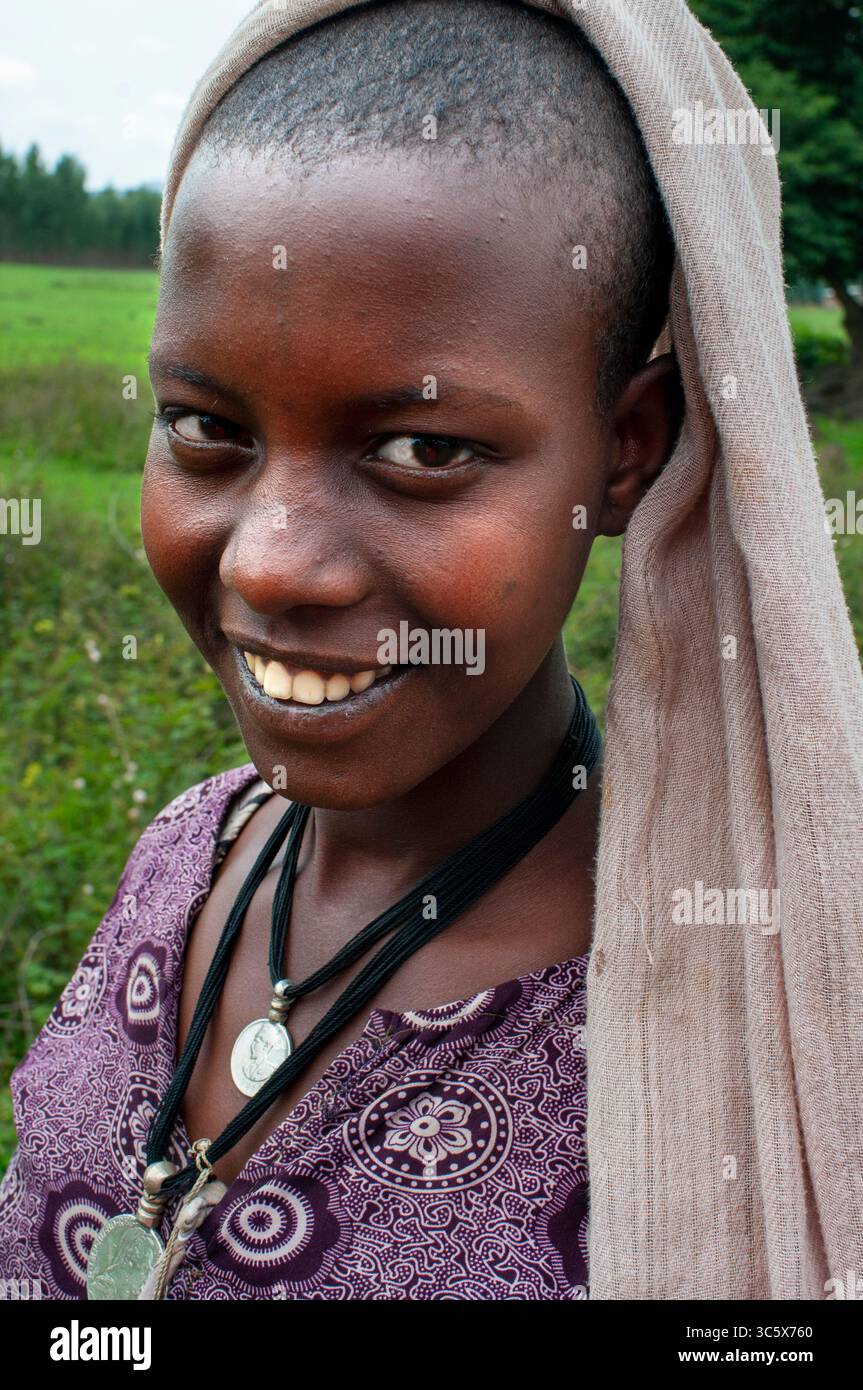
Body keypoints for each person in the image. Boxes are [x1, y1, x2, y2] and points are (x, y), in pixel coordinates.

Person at [1, 0, 860, 1302]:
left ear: (628, 447)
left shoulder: (744, 1049)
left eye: (423, 450)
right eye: (203, 425)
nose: (271, 561)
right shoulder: (184, 854)